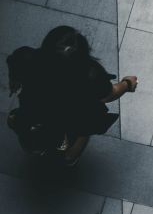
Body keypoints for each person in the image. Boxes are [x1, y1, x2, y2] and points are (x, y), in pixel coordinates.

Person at [5, 26, 134, 165]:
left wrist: (15, 80)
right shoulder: (91, 75)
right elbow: (109, 95)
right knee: (85, 123)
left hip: (37, 110)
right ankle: (72, 154)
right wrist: (127, 83)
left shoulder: (27, 58)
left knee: (30, 129)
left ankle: (36, 148)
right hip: (76, 113)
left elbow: (14, 64)